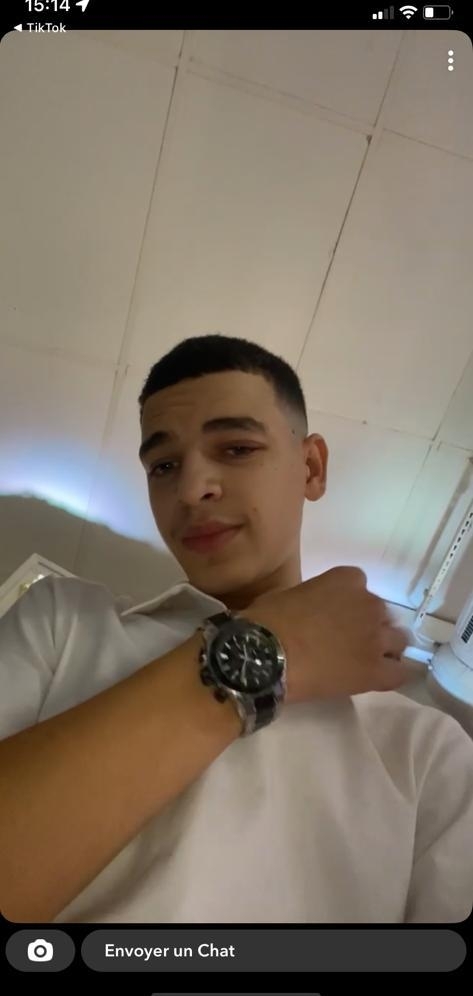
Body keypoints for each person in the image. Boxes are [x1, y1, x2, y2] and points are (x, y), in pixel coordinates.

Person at [1, 334, 472, 926]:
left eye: (237, 448)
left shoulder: (429, 753)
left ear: (312, 467)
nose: (191, 489)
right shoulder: (61, 621)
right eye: (163, 465)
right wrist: (273, 646)